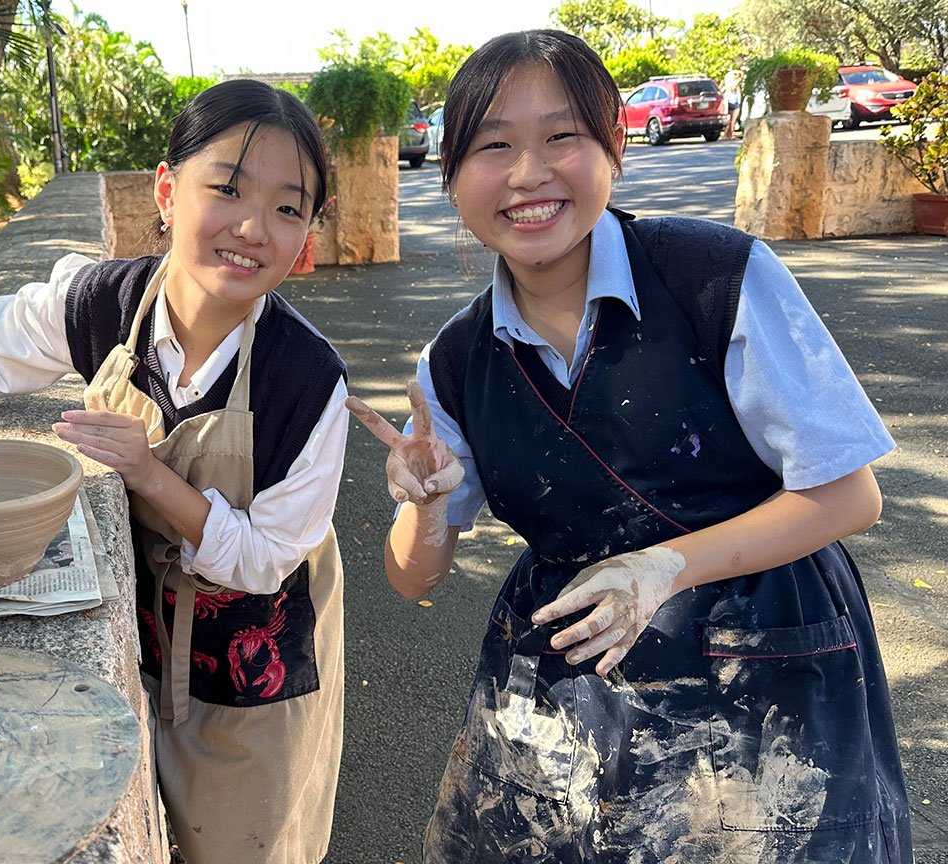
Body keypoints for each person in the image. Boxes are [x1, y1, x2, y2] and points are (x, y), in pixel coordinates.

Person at [346, 30, 912, 863]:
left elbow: (847, 495)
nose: (528, 174)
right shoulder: (456, 360)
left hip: (766, 666)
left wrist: (663, 567)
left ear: (615, 145)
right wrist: (425, 508)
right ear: (452, 174)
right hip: (572, 686)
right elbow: (413, 577)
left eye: (561, 137)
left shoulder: (717, 278)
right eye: (493, 145)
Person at [0, 79, 348, 864]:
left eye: (287, 207)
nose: (251, 227)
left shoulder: (308, 382)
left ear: (305, 233)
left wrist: (150, 475)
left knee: (246, 843)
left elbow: (266, 559)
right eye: (227, 189)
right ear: (167, 191)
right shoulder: (104, 304)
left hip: (252, 665)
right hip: (145, 632)